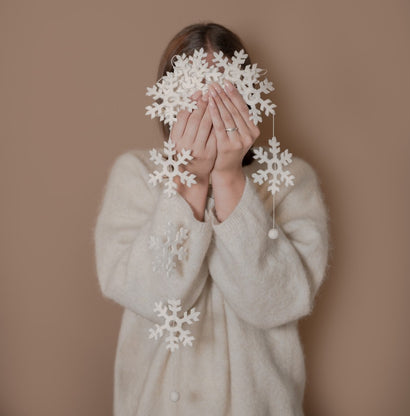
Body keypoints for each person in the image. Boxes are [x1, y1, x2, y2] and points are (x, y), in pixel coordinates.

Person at [93, 22, 331, 416]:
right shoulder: (135, 174)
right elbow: (152, 297)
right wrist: (190, 183)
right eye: (194, 95)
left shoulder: (290, 181)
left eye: (222, 94)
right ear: (169, 98)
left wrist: (228, 177)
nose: (208, 111)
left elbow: (273, 304)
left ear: (247, 94)